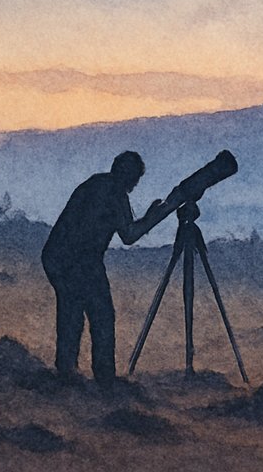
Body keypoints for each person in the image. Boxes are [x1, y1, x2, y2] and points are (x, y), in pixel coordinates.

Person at [41, 151, 167, 383]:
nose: (135, 184)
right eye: (135, 178)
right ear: (128, 175)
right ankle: (101, 379)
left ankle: (68, 374)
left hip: (61, 257)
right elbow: (129, 235)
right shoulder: (113, 192)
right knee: (99, 317)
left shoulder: (97, 183)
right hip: (78, 260)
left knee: (73, 315)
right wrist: (155, 216)